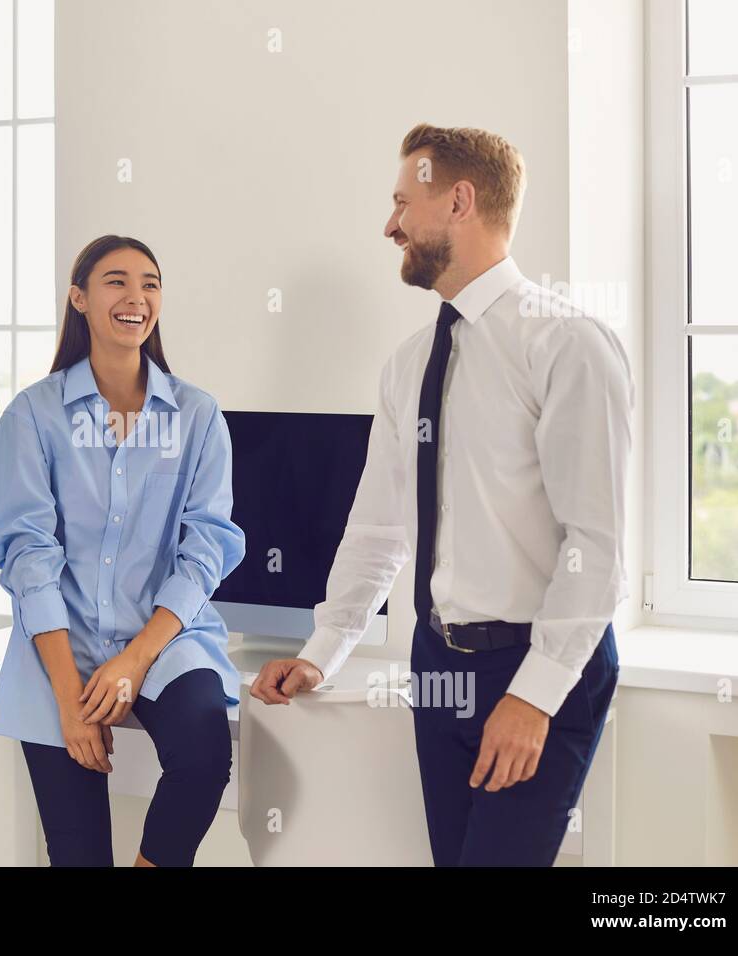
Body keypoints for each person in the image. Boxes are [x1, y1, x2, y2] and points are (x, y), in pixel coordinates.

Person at [251, 124, 633, 866]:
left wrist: (534, 695)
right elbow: (378, 529)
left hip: (534, 659)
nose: (389, 224)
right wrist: (323, 651)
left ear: (459, 200)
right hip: (440, 663)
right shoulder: (407, 366)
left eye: (402, 202)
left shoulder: (566, 344)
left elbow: (600, 546)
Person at [0, 235, 245, 867]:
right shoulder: (32, 416)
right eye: (116, 281)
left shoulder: (198, 415)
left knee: (205, 753)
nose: (136, 297)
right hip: (59, 642)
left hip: (163, 640)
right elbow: (27, 555)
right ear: (79, 298)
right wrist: (72, 703)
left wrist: (135, 658)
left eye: (150, 283)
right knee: (77, 851)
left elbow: (206, 546)